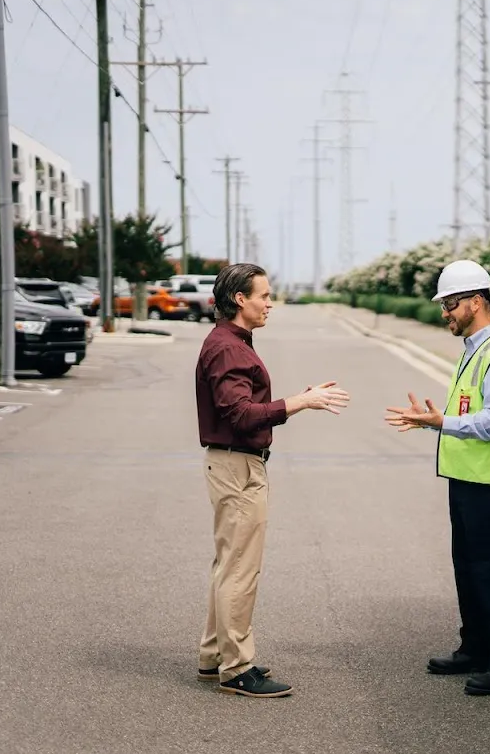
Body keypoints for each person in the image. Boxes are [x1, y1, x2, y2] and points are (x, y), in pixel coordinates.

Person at [195, 262, 350, 698]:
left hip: (233, 464)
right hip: (238, 467)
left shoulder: (232, 342)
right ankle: (237, 669)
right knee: (241, 570)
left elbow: (244, 406)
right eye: (263, 296)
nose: (270, 304)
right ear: (239, 299)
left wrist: (298, 399)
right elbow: (240, 415)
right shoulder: (228, 348)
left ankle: (215, 657)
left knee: (229, 566)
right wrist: (300, 401)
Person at [384, 259, 490, 697]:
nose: (444, 312)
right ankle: (476, 648)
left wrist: (440, 422)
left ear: (476, 301)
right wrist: (437, 421)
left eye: (450, 303)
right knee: (469, 569)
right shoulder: (474, 351)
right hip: (468, 479)